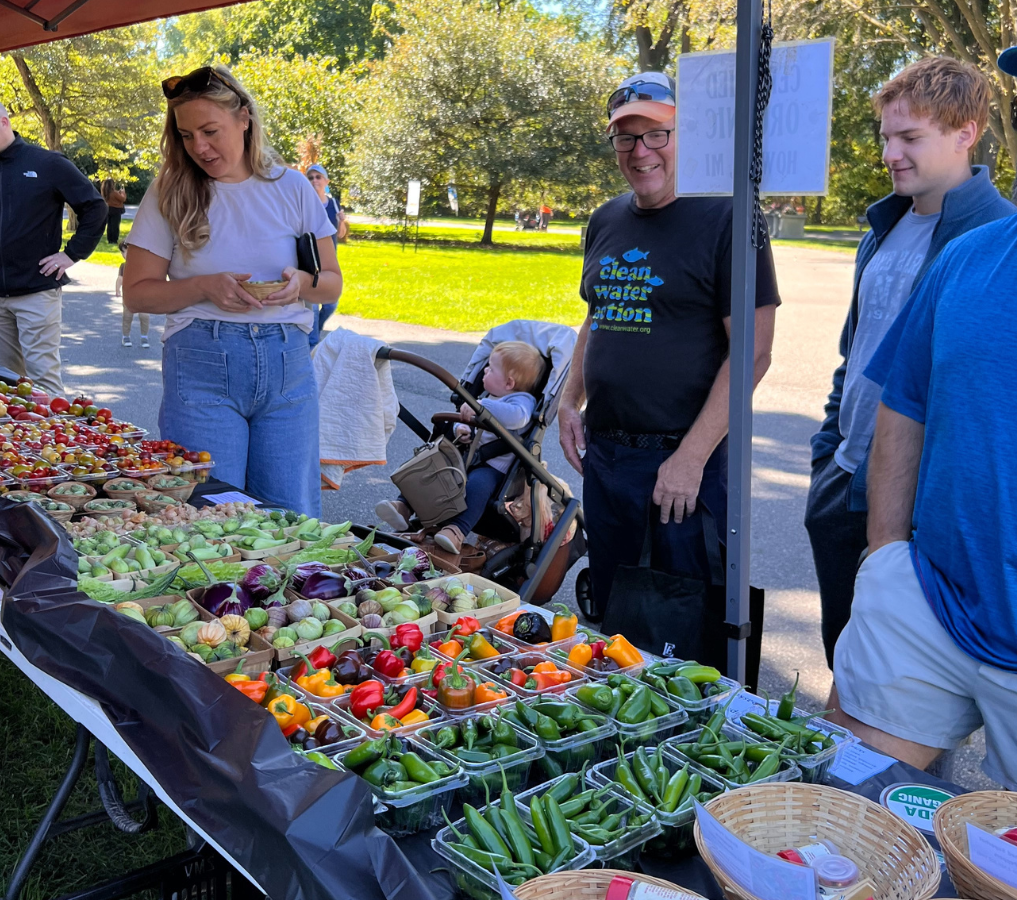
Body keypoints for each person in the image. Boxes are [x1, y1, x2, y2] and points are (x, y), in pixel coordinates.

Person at [828, 33, 1017, 799]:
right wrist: (885, 561)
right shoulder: (969, 259)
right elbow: (906, 403)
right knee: (836, 819)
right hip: (925, 606)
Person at [805, 58, 1016, 670]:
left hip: (922, 508)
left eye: (910, 138)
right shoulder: (882, 226)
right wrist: (829, 453)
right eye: (886, 138)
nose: (891, 153)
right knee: (845, 667)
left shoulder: (1003, 237)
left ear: (966, 133)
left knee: (908, 698)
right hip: (844, 482)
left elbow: (984, 399)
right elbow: (855, 354)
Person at [558, 71, 780, 621]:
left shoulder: (730, 216)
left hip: (682, 466)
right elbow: (599, 311)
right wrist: (569, 400)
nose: (641, 151)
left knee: (679, 628)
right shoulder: (605, 219)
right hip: (607, 461)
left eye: (658, 134)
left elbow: (753, 350)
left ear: (688, 135)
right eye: (626, 137)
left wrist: (692, 458)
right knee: (614, 618)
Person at [124, 65, 340, 515]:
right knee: (209, 512)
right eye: (185, 136)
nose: (199, 147)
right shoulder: (170, 190)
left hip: (287, 364)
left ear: (244, 118)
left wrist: (302, 283)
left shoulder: (293, 187)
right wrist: (204, 287)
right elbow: (138, 294)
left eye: (209, 130)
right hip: (202, 361)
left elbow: (331, 283)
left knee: (290, 517)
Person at [0, 97, 107, 396]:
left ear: (4, 122)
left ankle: (57, 438)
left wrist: (72, 254)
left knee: (43, 381)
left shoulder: (47, 163)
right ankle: (19, 442)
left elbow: (95, 207)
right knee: (6, 381)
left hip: (36, 293)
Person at [375, 341, 545, 552]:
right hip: (465, 456)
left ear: (509, 383)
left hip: (492, 467)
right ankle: (404, 506)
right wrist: (459, 430)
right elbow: (465, 421)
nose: (485, 369)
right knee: (430, 468)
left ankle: (456, 531)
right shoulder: (489, 397)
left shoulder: (521, 401)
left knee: (477, 486)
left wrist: (480, 407)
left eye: (491, 368)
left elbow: (517, 418)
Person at [305, 163, 345, 347]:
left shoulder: (334, 204)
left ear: (326, 181)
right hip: (310, 263)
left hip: (329, 263)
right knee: (312, 307)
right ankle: (312, 346)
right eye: (311, 177)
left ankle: (317, 330)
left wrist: (342, 221)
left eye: (318, 177)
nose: (314, 181)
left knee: (331, 304)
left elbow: (341, 234)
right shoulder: (304, 203)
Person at [116, 240, 149, 348]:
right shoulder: (123, 266)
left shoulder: (143, 265)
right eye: (123, 252)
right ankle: (126, 336)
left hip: (142, 295)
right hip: (128, 296)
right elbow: (120, 279)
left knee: (144, 316)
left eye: (126, 251)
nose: (124, 255)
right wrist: (117, 290)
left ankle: (144, 336)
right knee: (127, 316)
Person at [101, 178, 127, 245]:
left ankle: (110, 239)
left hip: (108, 209)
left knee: (110, 225)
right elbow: (122, 199)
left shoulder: (105, 193)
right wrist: (123, 192)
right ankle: (114, 240)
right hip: (116, 210)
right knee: (115, 225)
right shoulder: (114, 193)